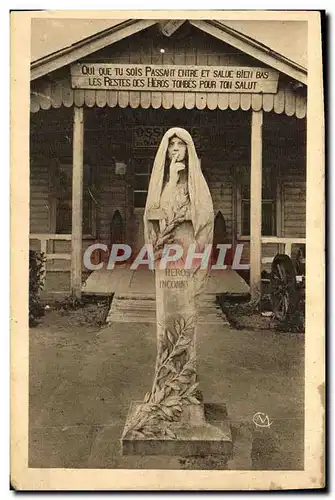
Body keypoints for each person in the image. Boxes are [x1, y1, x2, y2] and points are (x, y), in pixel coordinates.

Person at [144, 127, 214, 264]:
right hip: (166, 247)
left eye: (180, 144)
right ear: (167, 150)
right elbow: (155, 212)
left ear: (188, 149)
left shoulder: (196, 182)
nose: (175, 148)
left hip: (189, 245)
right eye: (171, 144)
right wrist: (172, 181)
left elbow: (206, 215)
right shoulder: (161, 183)